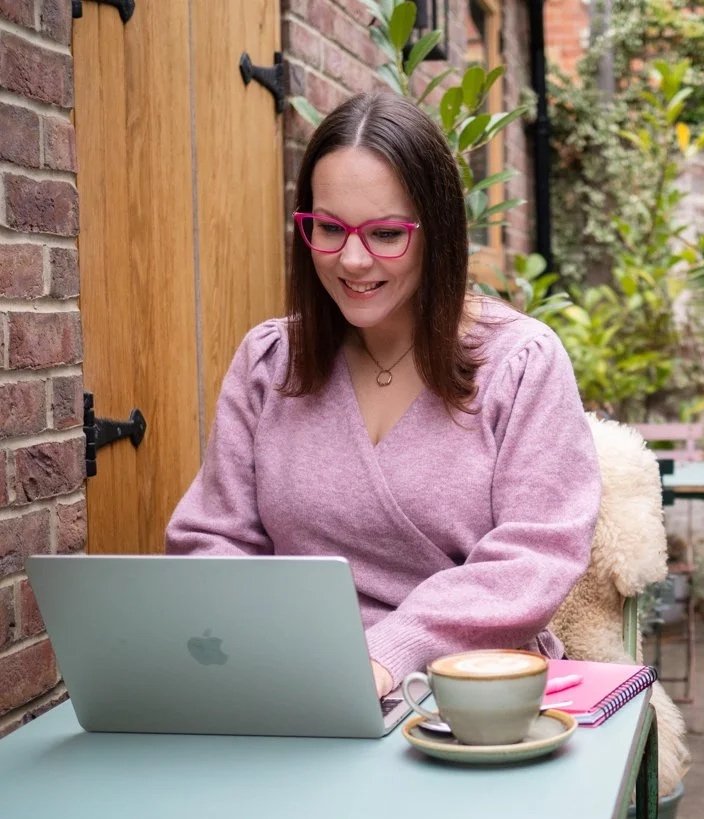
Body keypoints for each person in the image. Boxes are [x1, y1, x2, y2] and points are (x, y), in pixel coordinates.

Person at [165, 91, 602, 698]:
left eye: (386, 234)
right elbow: (213, 538)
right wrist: (265, 648)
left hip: (468, 693)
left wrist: (386, 654)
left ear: (438, 233)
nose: (351, 259)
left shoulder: (521, 362)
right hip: (294, 683)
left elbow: (536, 555)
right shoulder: (269, 361)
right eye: (328, 228)